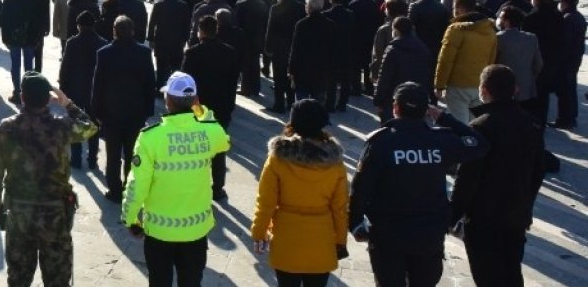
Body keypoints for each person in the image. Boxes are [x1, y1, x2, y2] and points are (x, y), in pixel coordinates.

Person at [348, 82, 490, 287]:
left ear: (395, 108)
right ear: (426, 110)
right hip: (428, 234)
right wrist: (443, 117)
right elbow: (479, 144)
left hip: (388, 234)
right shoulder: (440, 140)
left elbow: (361, 188)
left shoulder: (381, 142)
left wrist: (355, 223)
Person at [0, 71, 98, 287]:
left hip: (19, 213)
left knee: (18, 278)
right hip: (54, 214)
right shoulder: (61, 127)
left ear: (22, 97)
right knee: (57, 280)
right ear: (48, 99)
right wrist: (68, 104)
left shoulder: (6, 128)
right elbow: (90, 127)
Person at [122, 72, 230, 287]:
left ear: (167, 100)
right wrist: (199, 110)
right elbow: (223, 140)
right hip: (196, 229)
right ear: (194, 101)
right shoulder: (210, 132)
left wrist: (130, 217)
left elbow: (137, 183)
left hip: (160, 231)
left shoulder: (150, 137)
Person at [451, 65, 547, 287]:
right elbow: (539, 169)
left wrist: (454, 214)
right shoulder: (531, 124)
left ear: (483, 90)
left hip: (484, 218)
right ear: (516, 89)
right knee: (512, 272)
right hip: (516, 214)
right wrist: (526, 203)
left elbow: (467, 177)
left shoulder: (480, 127)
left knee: (488, 276)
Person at [250, 99, 348, 287]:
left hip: (286, 240)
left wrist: (259, 232)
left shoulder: (278, 159)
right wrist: (340, 241)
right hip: (321, 241)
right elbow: (340, 208)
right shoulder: (336, 163)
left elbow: (266, 202)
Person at [92, 15, 156, 203]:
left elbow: (98, 85)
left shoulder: (104, 53)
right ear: (133, 31)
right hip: (135, 112)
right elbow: (149, 83)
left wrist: (96, 112)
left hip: (111, 113)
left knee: (113, 156)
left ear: (114, 31)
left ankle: (114, 190)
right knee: (131, 154)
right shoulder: (143, 53)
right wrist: (148, 110)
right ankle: (130, 188)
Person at [181, 15, 239, 201]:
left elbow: (186, 85)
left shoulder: (192, 53)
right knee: (218, 149)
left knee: (196, 150)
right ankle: (218, 188)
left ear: (201, 31)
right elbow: (233, 83)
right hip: (222, 108)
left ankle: (197, 186)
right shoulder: (230, 52)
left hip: (199, 108)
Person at [434, 0, 497, 118]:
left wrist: (439, 84)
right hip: (480, 83)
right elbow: (492, 58)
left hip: (457, 84)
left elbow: (446, 60)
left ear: (459, 9)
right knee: (475, 124)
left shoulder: (455, 30)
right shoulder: (489, 30)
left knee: (459, 124)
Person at [59, 11, 107, 170]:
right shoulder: (102, 43)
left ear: (79, 26)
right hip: (96, 90)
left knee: (75, 123)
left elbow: (65, 68)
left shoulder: (72, 43)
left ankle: (77, 158)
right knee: (93, 124)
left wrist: (63, 90)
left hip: (75, 89)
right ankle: (92, 159)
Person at [288, 0, 336, 102]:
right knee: (318, 103)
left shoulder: (301, 24)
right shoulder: (330, 25)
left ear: (309, 7)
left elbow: (295, 49)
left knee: (301, 103)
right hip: (322, 69)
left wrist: (291, 70)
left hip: (302, 70)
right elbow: (333, 49)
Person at [265, 0, 305, 113]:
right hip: (295, 45)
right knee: (291, 74)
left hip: (279, 47)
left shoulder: (276, 8)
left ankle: (279, 104)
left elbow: (270, 29)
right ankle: (291, 102)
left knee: (278, 76)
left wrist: (268, 47)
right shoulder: (299, 6)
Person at [2, 0, 39, 101]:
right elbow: (38, 21)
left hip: (13, 37)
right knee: (29, 65)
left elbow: (4, 21)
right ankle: (28, 92)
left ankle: (17, 92)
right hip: (30, 37)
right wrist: (37, 38)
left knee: (15, 65)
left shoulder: (8, 0)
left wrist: (5, 38)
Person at [148, 0, 191, 87]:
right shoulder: (183, 5)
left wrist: (151, 39)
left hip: (161, 40)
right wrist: (185, 38)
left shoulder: (158, 5)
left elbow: (152, 23)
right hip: (177, 40)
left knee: (161, 66)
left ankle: (160, 86)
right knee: (176, 66)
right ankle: (176, 86)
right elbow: (187, 24)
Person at [554, 0, 585, 129]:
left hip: (566, 61)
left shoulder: (567, 19)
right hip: (574, 59)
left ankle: (564, 119)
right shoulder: (579, 17)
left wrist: (558, 60)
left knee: (564, 91)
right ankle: (571, 117)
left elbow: (564, 42)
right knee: (570, 89)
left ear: (565, 4)